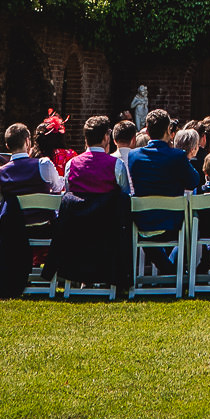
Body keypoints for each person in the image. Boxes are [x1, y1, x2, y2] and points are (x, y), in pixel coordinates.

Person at [44, 114, 130, 295]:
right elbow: (125, 193)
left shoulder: (72, 164)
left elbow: (69, 191)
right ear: (107, 137)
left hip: (77, 229)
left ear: (86, 138)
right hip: (107, 230)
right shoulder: (116, 165)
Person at [0, 122, 51, 300]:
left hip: (11, 230)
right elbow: (56, 188)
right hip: (42, 228)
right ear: (28, 141)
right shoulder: (43, 165)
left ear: (7, 146)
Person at [126, 110, 203, 254]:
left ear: (147, 131)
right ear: (168, 130)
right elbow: (193, 181)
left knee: (149, 236)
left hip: (143, 221)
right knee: (194, 221)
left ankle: (167, 268)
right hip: (171, 223)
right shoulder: (177, 156)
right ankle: (171, 268)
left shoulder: (134, 156)